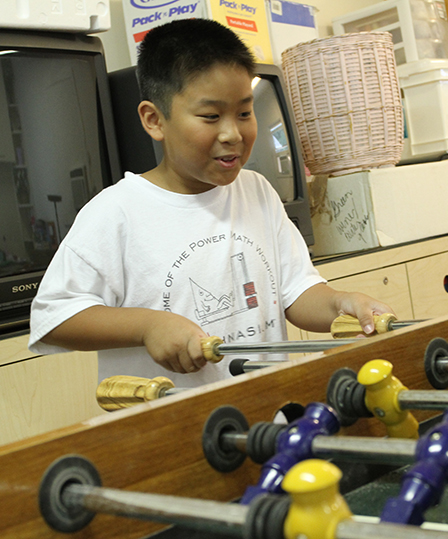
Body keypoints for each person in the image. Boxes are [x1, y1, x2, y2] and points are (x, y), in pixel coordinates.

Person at [28, 18, 394, 388]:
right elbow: (55, 316)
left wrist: (341, 304)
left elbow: (296, 291)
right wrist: (149, 326)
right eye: (211, 116)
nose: (233, 133)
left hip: (265, 417)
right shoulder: (117, 212)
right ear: (154, 120)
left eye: (245, 113)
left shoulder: (257, 191)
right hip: (172, 432)